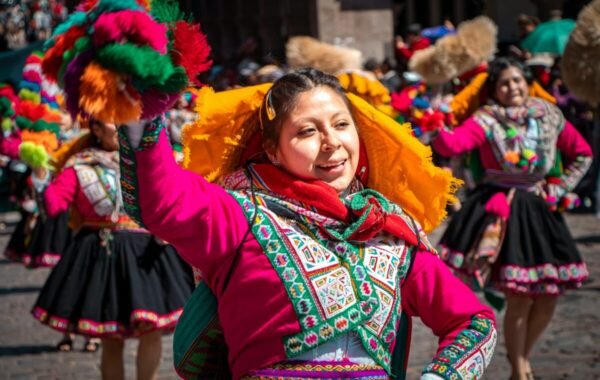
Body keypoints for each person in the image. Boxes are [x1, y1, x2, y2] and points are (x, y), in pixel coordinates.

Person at [119, 68, 497, 379]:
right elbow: (164, 201)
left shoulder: (389, 232)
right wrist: (142, 114)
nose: (331, 142)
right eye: (307, 131)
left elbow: (474, 323)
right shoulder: (241, 214)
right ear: (272, 150)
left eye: (341, 125)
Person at [432, 58, 592, 380]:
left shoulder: (549, 115)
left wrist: (560, 187)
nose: (512, 87)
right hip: (502, 209)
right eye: (504, 83)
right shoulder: (487, 119)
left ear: (528, 83)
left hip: (539, 208)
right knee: (519, 296)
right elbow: (454, 144)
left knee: (548, 297)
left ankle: (521, 358)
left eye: (517, 80)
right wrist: (437, 119)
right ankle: (519, 370)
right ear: (495, 89)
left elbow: (583, 153)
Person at [28, 119, 194, 380]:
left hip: (148, 254)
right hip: (104, 256)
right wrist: (39, 174)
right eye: (112, 122)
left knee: (150, 331)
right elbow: (53, 205)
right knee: (111, 338)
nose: (120, 127)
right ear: (95, 129)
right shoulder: (80, 166)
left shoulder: (148, 159)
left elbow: (176, 193)